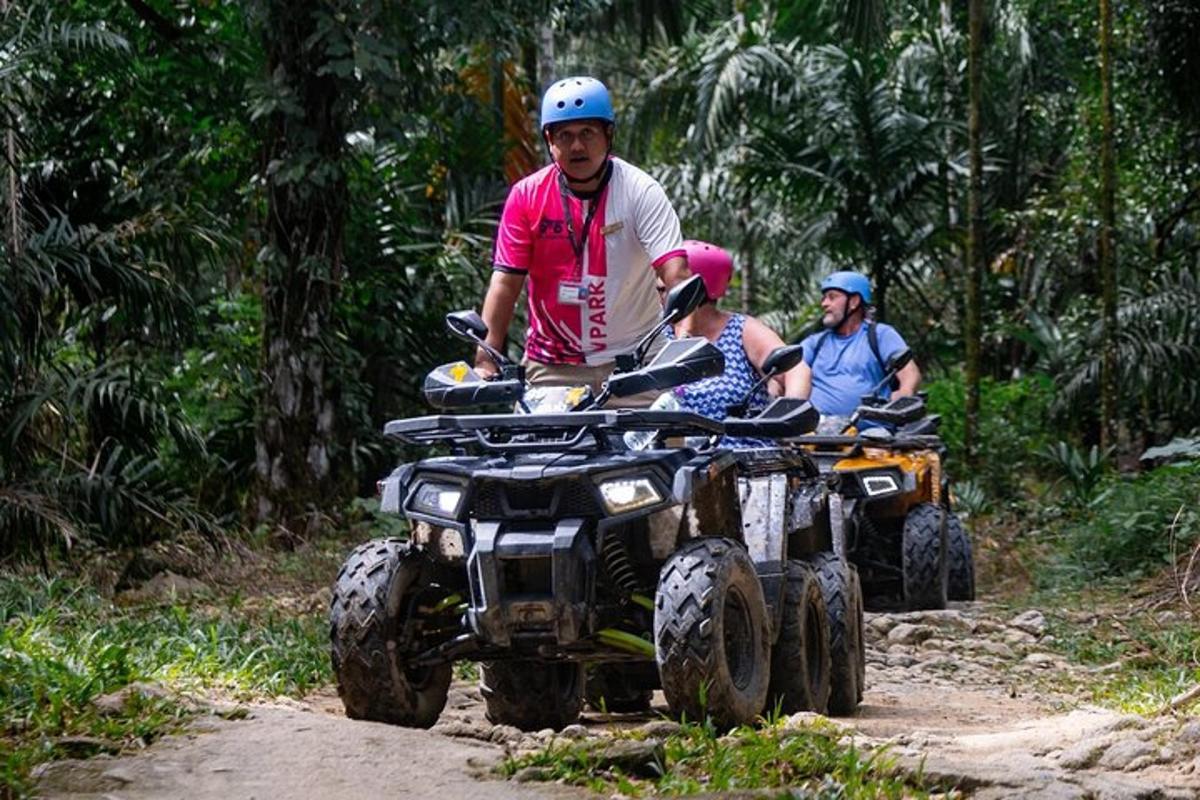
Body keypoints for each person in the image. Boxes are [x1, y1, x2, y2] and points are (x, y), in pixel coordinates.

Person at [475, 76, 690, 401]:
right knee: (537, 452)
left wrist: (687, 343)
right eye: (565, 135)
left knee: (662, 449)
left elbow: (675, 275)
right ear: (549, 141)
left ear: (608, 135)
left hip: (637, 362)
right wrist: (484, 362)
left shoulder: (640, 191)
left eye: (587, 133)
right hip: (552, 366)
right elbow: (505, 285)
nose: (577, 146)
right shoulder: (526, 197)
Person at [660, 240, 802, 446]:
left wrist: (787, 418)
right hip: (669, 465)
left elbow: (795, 370)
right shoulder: (659, 335)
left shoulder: (742, 330)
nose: (661, 298)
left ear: (690, 291)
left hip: (741, 464)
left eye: (666, 290)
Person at [795, 271, 921, 418]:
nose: (824, 303)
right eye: (824, 298)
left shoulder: (880, 335)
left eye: (832, 297)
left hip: (871, 433)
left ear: (854, 301)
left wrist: (904, 395)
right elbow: (789, 370)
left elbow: (910, 373)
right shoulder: (815, 343)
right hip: (816, 433)